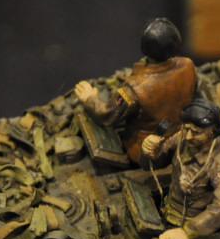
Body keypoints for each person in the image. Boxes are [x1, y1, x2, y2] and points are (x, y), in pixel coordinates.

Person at [74, 18, 196, 165]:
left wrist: (90, 98)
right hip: (181, 137)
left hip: (146, 149)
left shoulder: (133, 89)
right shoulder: (188, 65)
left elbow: (107, 113)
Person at [140, 99, 220, 239]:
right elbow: (153, 164)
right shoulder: (180, 140)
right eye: (186, 129)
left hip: (194, 226)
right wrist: (149, 151)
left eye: (196, 132)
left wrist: (189, 231)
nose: (188, 136)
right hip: (167, 210)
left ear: (213, 132)